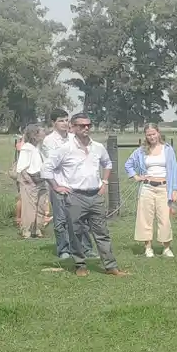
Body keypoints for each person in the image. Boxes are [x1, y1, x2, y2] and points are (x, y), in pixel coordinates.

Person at [44, 112, 124, 277]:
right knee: (76, 233)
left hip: (95, 195)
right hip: (74, 196)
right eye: (81, 125)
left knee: (102, 232)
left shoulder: (97, 147)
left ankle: (111, 266)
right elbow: (46, 169)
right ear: (73, 127)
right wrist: (57, 187)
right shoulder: (65, 149)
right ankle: (80, 264)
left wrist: (105, 182)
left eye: (88, 125)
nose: (86, 128)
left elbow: (107, 163)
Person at [125, 123, 177, 258]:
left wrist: (174, 190)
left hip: (164, 187)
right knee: (145, 218)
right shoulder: (141, 151)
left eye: (153, 134)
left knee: (165, 218)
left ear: (158, 133)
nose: (151, 137)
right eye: (148, 135)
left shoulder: (168, 149)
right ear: (146, 136)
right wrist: (136, 176)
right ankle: (148, 247)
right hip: (147, 187)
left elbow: (174, 171)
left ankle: (166, 247)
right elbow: (128, 164)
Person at [39, 110, 76, 259]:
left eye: (67, 120)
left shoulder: (74, 138)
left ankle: (81, 247)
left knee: (77, 218)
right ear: (54, 123)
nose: (65, 123)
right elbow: (55, 162)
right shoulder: (49, 141)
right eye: (61, 121)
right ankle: (63, 249)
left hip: (75, 183)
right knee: (60, 219)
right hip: (58, 183)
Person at [13, 124, 46, 239]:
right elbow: (22, 167)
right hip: (30, 179)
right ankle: (27, 230)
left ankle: (37, 228)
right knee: (29, 206)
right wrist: (28, 180)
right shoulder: (27, 148)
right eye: (41, 131)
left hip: (40, 178)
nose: (44, 133)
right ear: (35, 134)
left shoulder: (38, 147)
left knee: (41, 205)